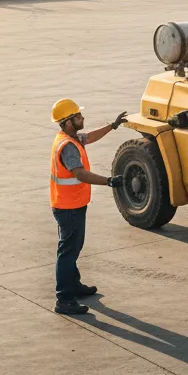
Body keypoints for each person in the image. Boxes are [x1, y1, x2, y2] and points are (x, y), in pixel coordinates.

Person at [49, 99, 127, 315]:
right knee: (68, 251)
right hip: (68, 207)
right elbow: (80, 174)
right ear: (68, 122)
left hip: (71, 204)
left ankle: (73, 285)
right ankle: (64, 298)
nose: (82, 118)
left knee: (73, 248)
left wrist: (112, 126)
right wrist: (108, 181)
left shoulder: (71, 138)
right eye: (78, 116)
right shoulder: (68, 147)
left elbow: (90, 137)